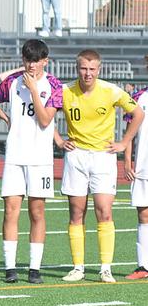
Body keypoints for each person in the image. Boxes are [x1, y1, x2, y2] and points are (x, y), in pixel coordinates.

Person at [57, 49, 144, 283]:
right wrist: (57, 139)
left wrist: (124, 142)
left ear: (99, 69)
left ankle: (105, 268)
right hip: (76, 157)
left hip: (103, 157)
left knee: (104, 212)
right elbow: (44, 116)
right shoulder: (64, 91)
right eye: (83, 68)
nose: (87, 73)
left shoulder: (110, 90)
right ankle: (78, 268)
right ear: (78, 69)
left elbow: (138, 113)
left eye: (92, 69)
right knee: (76, 213)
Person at [0, 39, 63, 284]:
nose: (31, 66)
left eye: (37, 61)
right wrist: (8, 119)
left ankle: (34, 269)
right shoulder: (12, 81)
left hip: (40, 158)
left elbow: (43, 120)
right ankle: (10, 268)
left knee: (37, 211)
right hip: (15, 155)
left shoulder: (54, 85)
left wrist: (32, 92)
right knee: (10, 210)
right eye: (28, 60)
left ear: (45, 61)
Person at [123, 85, 148, 279]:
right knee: (144, 215)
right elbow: (129, 134)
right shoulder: (139, 97)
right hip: (143, 166)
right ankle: (143, 267)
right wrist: (127, 161)